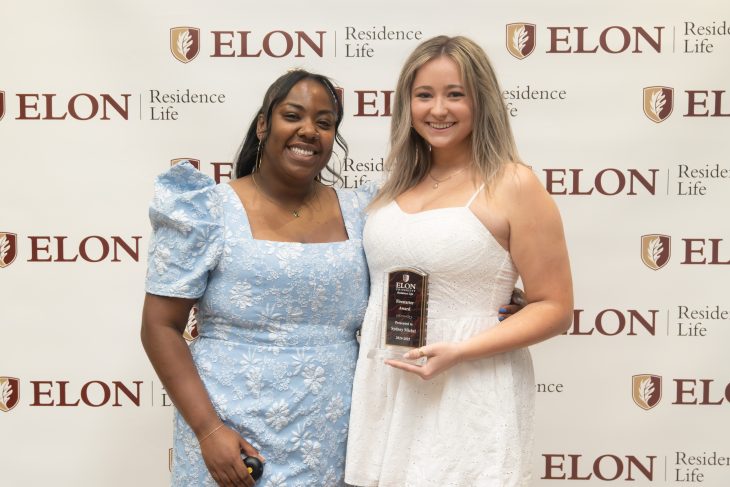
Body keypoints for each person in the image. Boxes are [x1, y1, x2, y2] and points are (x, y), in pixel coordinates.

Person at [345, 36, 573, 487]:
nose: (438, 109)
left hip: (470, 390)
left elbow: (555, 307)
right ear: (406, 104)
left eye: (455, 94)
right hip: (389, 388)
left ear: (481, 100)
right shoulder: (396, 187)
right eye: (424, 95)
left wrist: (460, 350)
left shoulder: (513, 183)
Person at [141, 70, 373, 486]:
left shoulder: (364, 212)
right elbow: (160, 327)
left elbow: (423, 271)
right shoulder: (205, 209)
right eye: (293, 115)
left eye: (324, 123)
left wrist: (505, 301)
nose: (309, 130)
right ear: (264, 125)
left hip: (333, 438)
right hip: (231, 439)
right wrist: (209, 431)